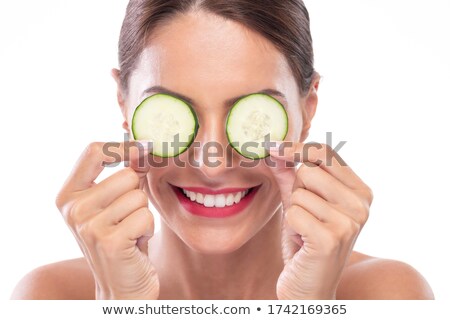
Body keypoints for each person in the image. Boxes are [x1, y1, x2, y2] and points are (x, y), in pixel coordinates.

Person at [11, 0, 434, 300]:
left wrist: (312, 307)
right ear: (124, 104)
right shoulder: (51, 299)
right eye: (173, 113)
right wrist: (120, 306)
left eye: (253, 115)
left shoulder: (387, 297)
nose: (209, 165)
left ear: (307, 109)